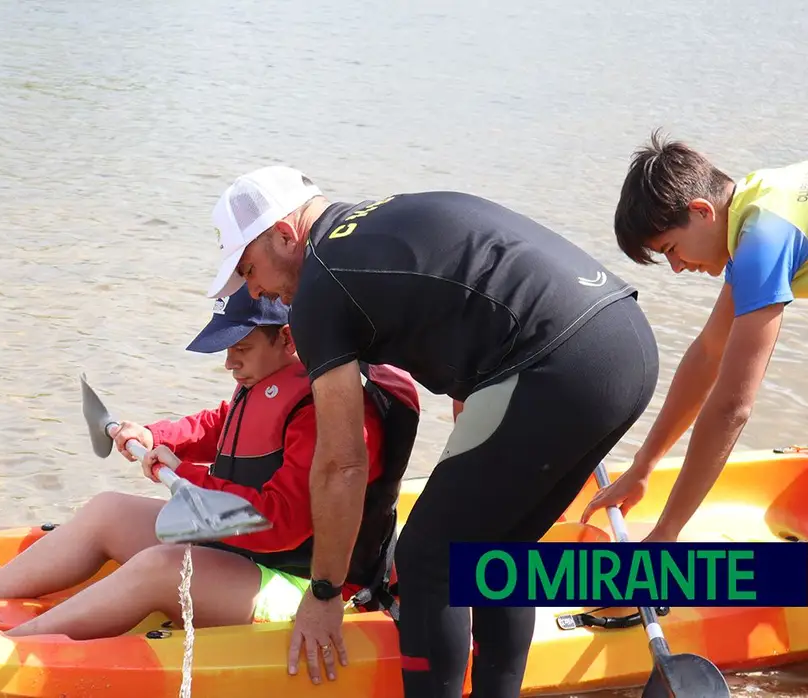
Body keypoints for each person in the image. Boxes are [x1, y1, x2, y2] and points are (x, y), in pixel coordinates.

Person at [203, 165, 660, 697]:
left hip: (558, 363)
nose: (254, 288)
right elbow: (476, 280)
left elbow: (343, 461)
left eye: (248, 266)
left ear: (284, 233)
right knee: (501, 551)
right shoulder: (377, 219)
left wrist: (324, 593)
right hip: (626, 341)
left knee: (427, 558)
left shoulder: (320, 289)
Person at [0, 284, 420, 641]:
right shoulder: (267, 379)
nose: (229, 360)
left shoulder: (330, 408)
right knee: (107, 510)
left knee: (163, 568)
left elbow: (278, 523)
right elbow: (218, 427)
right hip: (242, 553)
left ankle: (10, 644)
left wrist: (185, 478)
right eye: (225, 348)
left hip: (307, 588)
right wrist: (155, 435)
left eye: (242, 347)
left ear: (286, 338)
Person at [581, 132, 808, 540]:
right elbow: (709, 353)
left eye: (671, 248)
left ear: (702, 211)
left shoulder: (764, 240)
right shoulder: (752, 210)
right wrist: (644, 464)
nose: (677, 268)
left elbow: (732, 407)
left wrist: (666, 532)